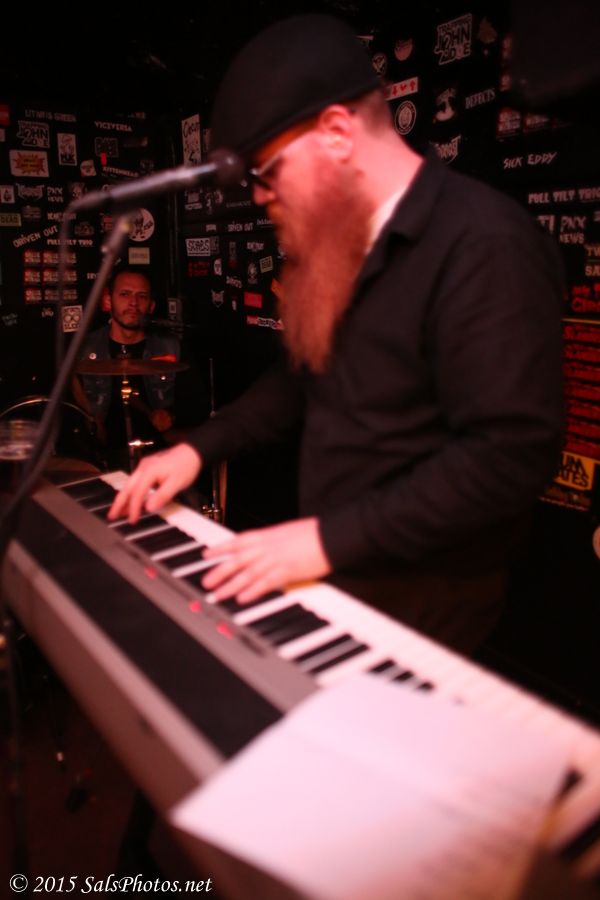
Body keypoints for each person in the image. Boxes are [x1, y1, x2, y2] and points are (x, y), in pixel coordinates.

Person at [109, 14, 564, 654]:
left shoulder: (484, 243)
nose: (259, 197)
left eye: (267, 172)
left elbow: (509, 455)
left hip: (425, 606)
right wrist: (196, 450)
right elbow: (301, 378)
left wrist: (324, 540)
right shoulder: (345, 242)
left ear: (337, 133)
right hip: (341, 575)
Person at [73, 267, 180, 469]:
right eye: (124, 294)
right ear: (108, 301)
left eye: (142, 296)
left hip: (158, 456)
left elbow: (194, 403)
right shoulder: (83, 348)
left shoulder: (171, 347)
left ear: (151, 306)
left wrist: (170, 416)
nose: (133, 303)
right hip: (102, 457)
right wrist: (91, 421)